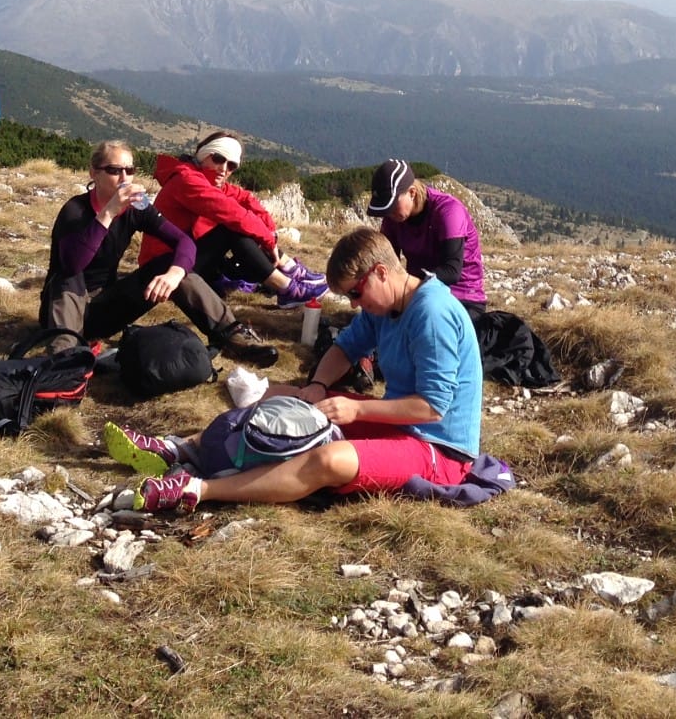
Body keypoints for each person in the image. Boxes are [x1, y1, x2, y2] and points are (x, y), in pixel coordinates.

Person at [120, 225, 483, 513]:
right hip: (402, 425)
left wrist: (355, 408)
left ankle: (197, 490)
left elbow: (433, 409)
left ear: (381, 273)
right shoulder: (387, 307)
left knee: (327, 460)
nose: (355, 304)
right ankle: (181, 450)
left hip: (440, 450)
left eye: (356, 293)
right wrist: (319, 386)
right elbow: (344, 348)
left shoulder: (431, 314)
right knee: (285, 398)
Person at [40, 140, 280, 367]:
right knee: (66, 274)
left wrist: (175, 273)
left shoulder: (137, 205)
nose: (124, 178)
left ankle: (231, 336)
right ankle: (65, 364)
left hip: (103, 309)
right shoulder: (75, 210)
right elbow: (72, 265)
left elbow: (183, 242)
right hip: (61, 311)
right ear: (94, 173)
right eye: (114, 170)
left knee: (169, 264)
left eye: (130, 170)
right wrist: (108, 213)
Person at [141, 132, 326, 307]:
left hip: (180, 257)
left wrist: (269, 232)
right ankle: (288, 288)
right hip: (164, 269)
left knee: (246, 229)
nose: (223, 169)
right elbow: (233, 214)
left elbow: (245, 199)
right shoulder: (187, 181)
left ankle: (290, 270)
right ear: (203, 154)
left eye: (231, 165)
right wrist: (269, 241)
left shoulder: (203, 179)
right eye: (218, 159)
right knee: (232, 229)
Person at [368, 158, 487, 317]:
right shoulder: (393, 218)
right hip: (417, 291)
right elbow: (386, 259)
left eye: (392, 206)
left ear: (412, 193)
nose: (388, 213)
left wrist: (405, 284)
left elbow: (452, 271)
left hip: (462, 297)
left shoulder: (448, 212)